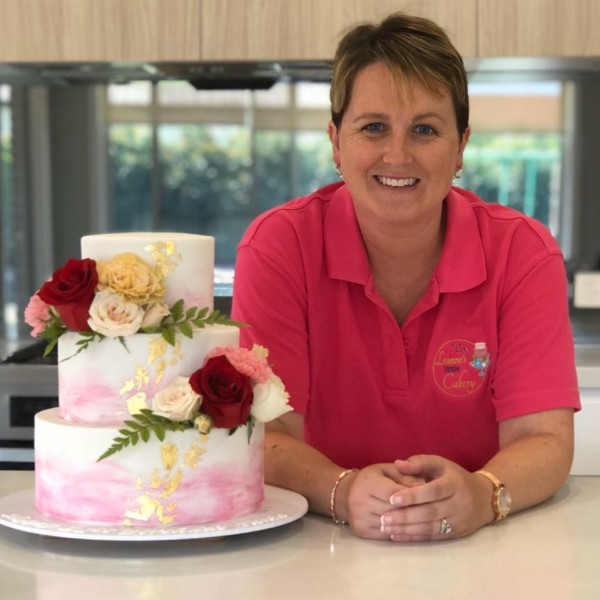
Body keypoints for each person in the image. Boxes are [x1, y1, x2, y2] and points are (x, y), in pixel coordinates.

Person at [231, 12, 581, 542]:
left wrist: (484, 495)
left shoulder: (522, 251)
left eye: (425, 129)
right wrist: (342, 491)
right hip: (315, 543)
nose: (398, 154)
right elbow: (264, 434)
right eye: (374, 127)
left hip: (483, 547)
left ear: (460, 146)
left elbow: (545, 440)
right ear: (336, 142)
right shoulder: (279, 246)